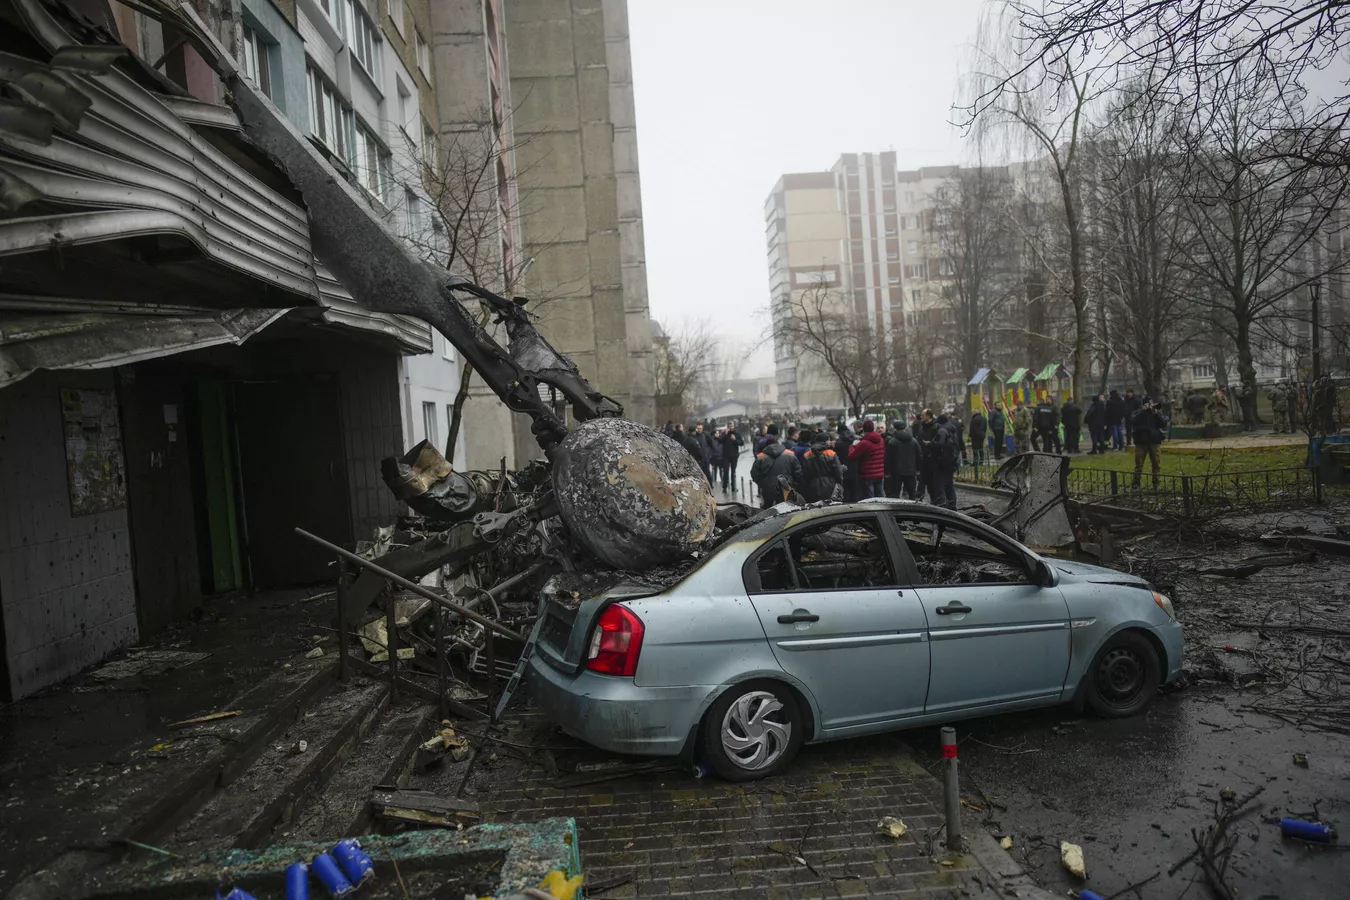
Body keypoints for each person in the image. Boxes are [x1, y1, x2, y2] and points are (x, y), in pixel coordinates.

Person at [750, 431, 803, 508]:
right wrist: (793, 484)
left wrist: (762, 484)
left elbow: (754, 474)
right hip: (786, 487)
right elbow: (798, 472)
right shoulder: (790, 454)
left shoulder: (760, 457)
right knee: (788, 509)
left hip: (768, 490)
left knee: (767, 510)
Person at [1131, 396, 1167, 488]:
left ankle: (1156, 483)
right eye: (1148, 404)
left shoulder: (1156, 412)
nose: (1150, 406)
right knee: (1138, 464)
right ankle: (1136, 482)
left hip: (1154, 440)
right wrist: (1143, 411)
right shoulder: (1138, 412)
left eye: (1151, 404)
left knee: (1156, 463)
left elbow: (1163, 424)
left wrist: (1155, 413)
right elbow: (1133, 421)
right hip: (1141, 441)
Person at [847, 419, 887, 498]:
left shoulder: (864, 443)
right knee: (881, 498)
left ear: (864, 429)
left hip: (868, 475)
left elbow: (851, 456)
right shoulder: (881, 440)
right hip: (880, 474)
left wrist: (853, 446)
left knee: (870, 500)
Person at [800, 432, 844, 503]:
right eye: (829, 440)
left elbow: (805, 474)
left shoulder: (807, 455)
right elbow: (838, 472)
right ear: (825, 441)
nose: (830, 442)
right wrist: (840, 484)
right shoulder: (831, 453)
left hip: (813, 486)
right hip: (830, 485)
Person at [928, 414, 960, 509]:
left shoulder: (942, 430)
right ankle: (952, 505)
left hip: (941, 462)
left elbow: (939, 444)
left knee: (939, 486)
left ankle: (942, 508)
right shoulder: (952, 429)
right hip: (951, 461)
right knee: (950, 485)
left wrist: (930, 444)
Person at [885, 420, 922, 499]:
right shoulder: (913, 441)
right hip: (911, 471)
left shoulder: (892, 442)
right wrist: (918, 469)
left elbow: (888, 458)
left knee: (895, 495)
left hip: (896, 473)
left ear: (895, 429)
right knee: (912, 494)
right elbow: (919, 455)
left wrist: (887, 472)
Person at [834, 420, 860, 501]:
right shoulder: (855, 440)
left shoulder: (837, 443)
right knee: (855, 490)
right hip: (855, 467)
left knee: (845, 491)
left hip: (843, 468)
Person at [717, 424, 743, 492]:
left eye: (732, 426)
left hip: (734, 456)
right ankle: (725, 486)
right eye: (729, 426)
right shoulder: (724, 433)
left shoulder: (736, 433)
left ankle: (733, 486)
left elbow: (741, 443)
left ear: (733, 426)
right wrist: (725, 434)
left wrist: (735, 440)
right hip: (726, 456)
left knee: (733, 472)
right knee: (726, 471)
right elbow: (719, 440)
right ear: (727, 427)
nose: (731, 428)